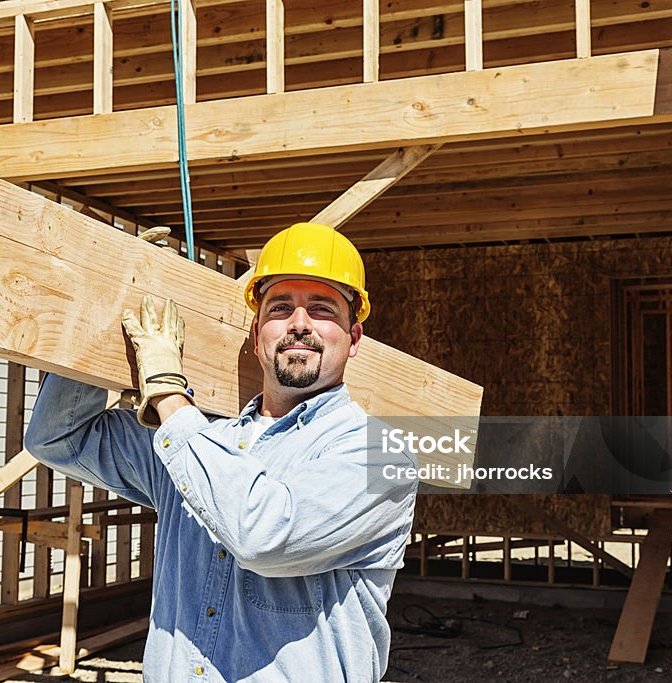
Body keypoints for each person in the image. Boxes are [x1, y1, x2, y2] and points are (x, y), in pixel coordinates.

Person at [24, 222, 417, 682]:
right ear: (256, 336)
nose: (299, 323)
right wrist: (108, 297)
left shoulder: (378, 457)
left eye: (322, 309)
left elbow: (262, 535)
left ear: (353, 339)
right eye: (281, 307)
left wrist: (168, 394)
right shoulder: (201, 440)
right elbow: (57, 437)